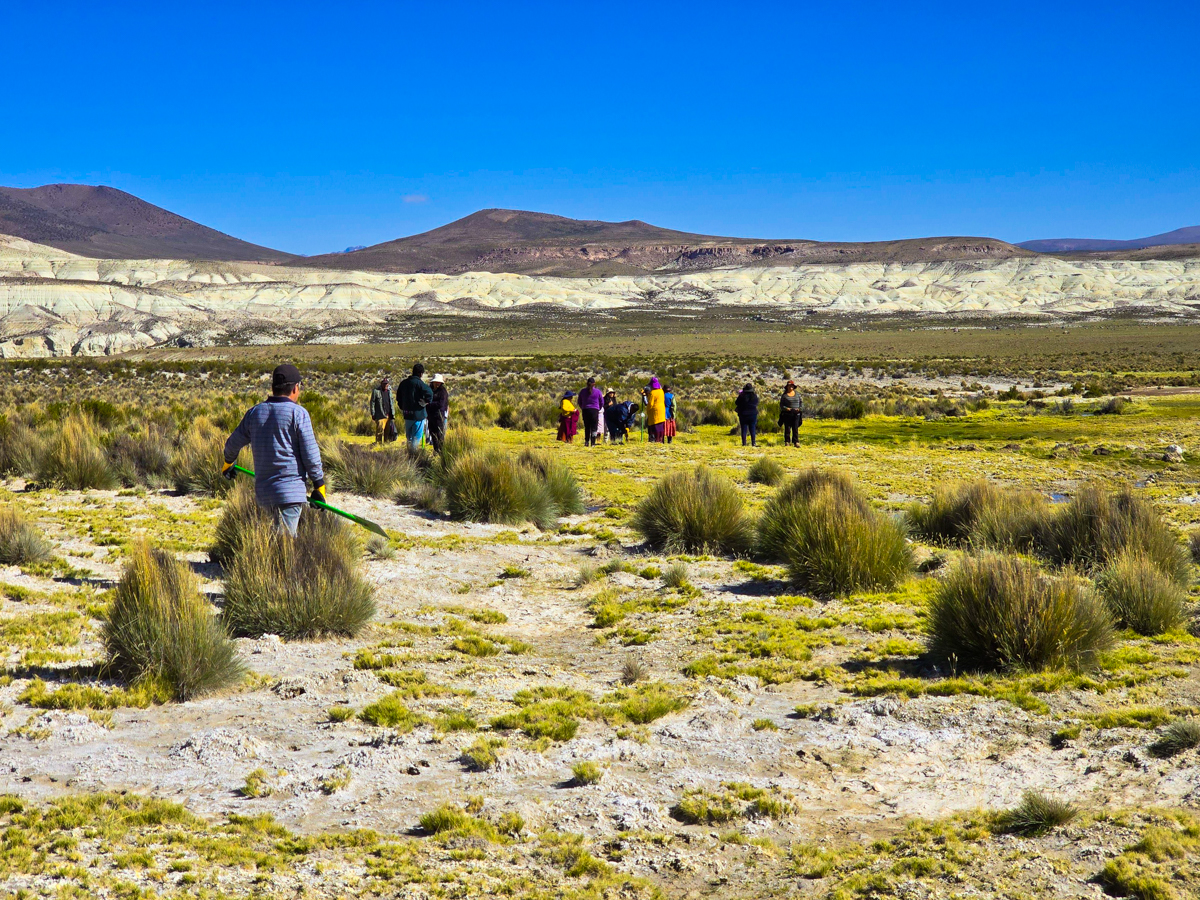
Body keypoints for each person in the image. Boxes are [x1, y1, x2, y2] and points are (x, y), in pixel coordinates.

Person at [221, 363, 325, 537]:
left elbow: (232, 444)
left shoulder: (255, 413)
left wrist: (228, 462)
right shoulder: (298, 414)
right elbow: (311, 455)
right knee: (284, 545)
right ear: (295, 388)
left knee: (271, 540)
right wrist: (319, 485)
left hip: (264, 493)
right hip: (290, 492)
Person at [397, 363, 434, 450]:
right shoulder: (420, 384)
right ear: (421, 374)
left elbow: (398, 397)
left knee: (409, 438)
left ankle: (409, 455)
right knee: (416, 439)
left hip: (407, 415)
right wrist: (425, 402)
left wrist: (402, 407)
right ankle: (413, 457)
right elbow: (430, 393)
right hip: (418, 415)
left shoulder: (403, 383)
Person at [577, 377, 603, 447]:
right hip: (594, 410)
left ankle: (586, 441)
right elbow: (601, 402)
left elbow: (579, 401)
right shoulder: (598, 391)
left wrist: (583, 407)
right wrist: (598, 408)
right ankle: (593, 443)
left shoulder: (582, 391)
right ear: (594, 384)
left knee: (587, 427)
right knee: (594, 427)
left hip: (586, 410)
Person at [369, 377, 395, 444]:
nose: (386, 385)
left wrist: (393, 413)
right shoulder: (376, 391)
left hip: (389, 415)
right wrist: (373, 413)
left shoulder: (390, 391)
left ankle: (386, 445)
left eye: (387, 384)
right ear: (381, 384)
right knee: (380, 431)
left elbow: (392, 402)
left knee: (388, 432)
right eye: (384, 384)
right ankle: (378, 444)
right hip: (380, 415)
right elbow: (372, 402)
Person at [428, 374, 449, 453]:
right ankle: (436, 450)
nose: (437, 384)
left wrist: (429, 404)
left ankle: (441, 451)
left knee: (439, 435)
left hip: (439, 416)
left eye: (438, 382)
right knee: (432, 434)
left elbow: (441, 404)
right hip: (430, 416)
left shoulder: (443, 391)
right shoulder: (429, 390)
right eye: (436, 382)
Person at [779, 380, 803, 447]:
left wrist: (799, 409)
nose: (790, 387)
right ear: (787, 387)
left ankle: (796, 442)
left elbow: (801, 403)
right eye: (789, 386)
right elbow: (781, 405)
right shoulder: (784, 395)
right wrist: (787, 409)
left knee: (795, 428)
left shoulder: (797, 394)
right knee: (787, 428)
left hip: (796, 413)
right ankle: (787, 442)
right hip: (787, 414)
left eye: (792, 386)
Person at [735, 382, 759, 447]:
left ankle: (744, 443)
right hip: (753, 414)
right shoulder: (754, 396)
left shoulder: (742, 396)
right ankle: (753, 443)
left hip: (743, 414)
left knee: (744, 429)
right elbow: (757, 402)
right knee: (752, 429)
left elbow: (736, 402)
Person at [645, 377, 666, 443]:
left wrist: (648, 410)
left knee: (656, 426)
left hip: (655, 412)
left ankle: (656, 440)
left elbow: (650, 404)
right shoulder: (661, 391)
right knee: (661, 427)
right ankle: (661, 440)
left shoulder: (652, 393)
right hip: (662, 410)